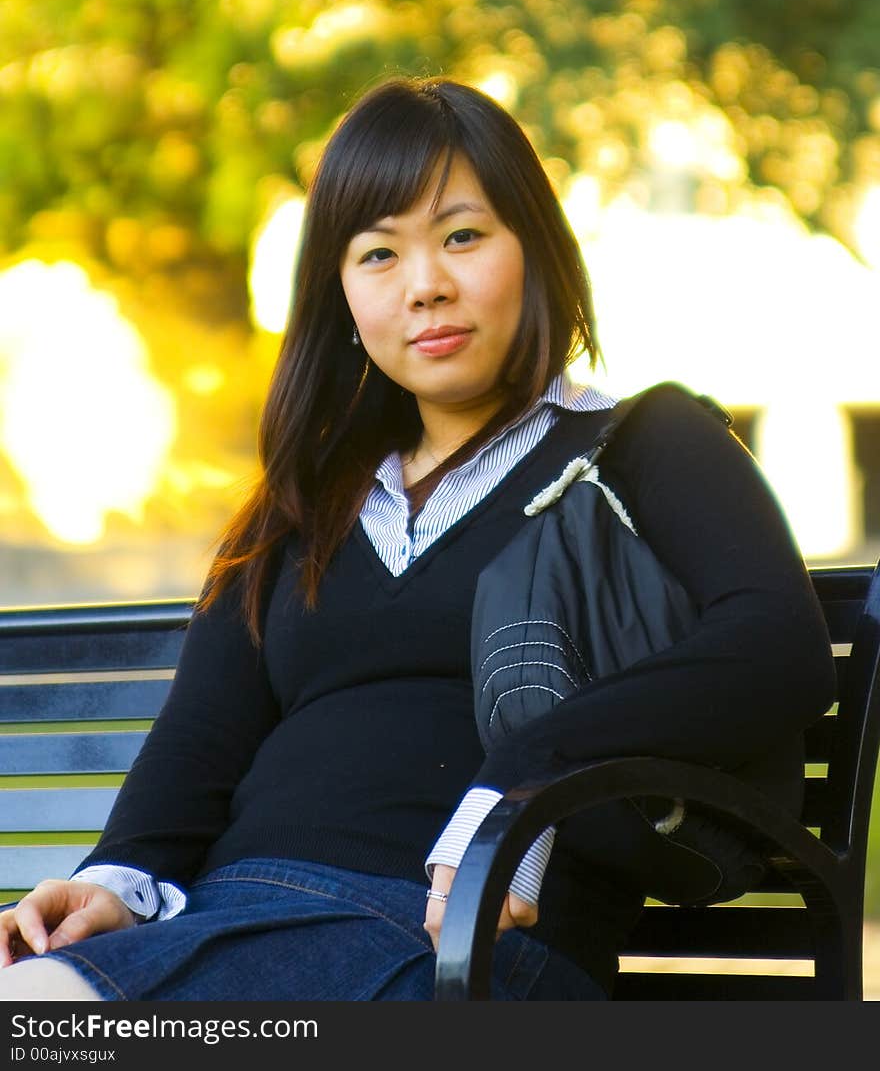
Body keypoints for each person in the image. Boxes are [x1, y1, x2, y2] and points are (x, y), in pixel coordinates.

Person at [0, 76, 836, 1001]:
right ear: (343, 298)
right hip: (231, 924)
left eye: (463, 236)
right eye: (377, 254)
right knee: (38, 999)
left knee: (47, 1016)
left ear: (537, 250)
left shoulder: (639, 443)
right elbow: (203, 735)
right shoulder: (304, 504)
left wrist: (528, 769)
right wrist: (114, 882)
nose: (427, 285)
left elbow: (778, 647)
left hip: (463, 954)